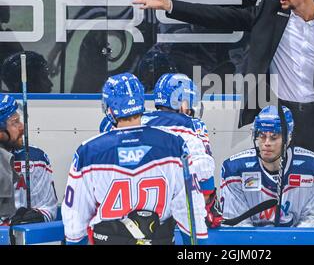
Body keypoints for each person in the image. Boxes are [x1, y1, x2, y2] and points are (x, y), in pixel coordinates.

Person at [130, 0, 314, 206]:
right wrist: (169, 5)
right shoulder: (270, 10)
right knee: (280, 191)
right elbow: (222, 17)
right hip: (281, 118)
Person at [61, 73, 207, 244]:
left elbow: (75, 216)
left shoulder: (89, 152)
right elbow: (190, 209)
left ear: (109, 109)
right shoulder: (174, 144)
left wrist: (73, 241)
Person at [99, 72, 221, 228]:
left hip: (122, 214)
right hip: (171, 216)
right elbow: (205, 179)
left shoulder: (125, 121)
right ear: (182, 103)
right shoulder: (192, 125)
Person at [220, 105, 314, 227]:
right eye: (262, 136)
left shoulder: (313, 168)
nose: (266, 143)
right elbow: (235, 222)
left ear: (288, 137)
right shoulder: (234, 170)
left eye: (274, 137)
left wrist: (291, 241)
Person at [0, 93, 57, 226]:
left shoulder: (35, 158)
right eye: (15, 122)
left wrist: (39, 216)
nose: (21, 127)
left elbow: (49, 208)